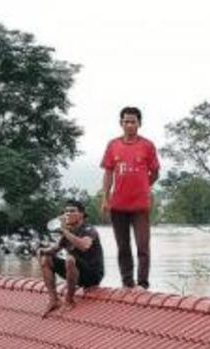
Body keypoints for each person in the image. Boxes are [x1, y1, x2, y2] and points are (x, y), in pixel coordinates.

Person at [100, 106, 160, 289]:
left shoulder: (147, 145)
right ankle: (127, 283)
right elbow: (108, 173)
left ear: (139, 123)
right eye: (126, 121)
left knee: (143, 246)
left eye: (133, 121)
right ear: (121, 123)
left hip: (140, 206)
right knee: (123, 247)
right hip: (118, 205)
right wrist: (105, 199)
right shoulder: (113, 145)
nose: (129, 125)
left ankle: (142, 284)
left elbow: (155, 172)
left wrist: (144, 186)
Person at [38, 200, 105, 316]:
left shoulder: (89, 230)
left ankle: (69, 300)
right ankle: (54, 299)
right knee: (46, 259)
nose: (68, 214)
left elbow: (84, 246)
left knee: (69, 259)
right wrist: (42, 251)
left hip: (92, 274)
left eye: (72, 211)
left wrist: (65, 231)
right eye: (66, 212)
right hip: (76, 271)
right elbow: (55, 249)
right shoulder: (68, 232)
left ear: (81, 214)